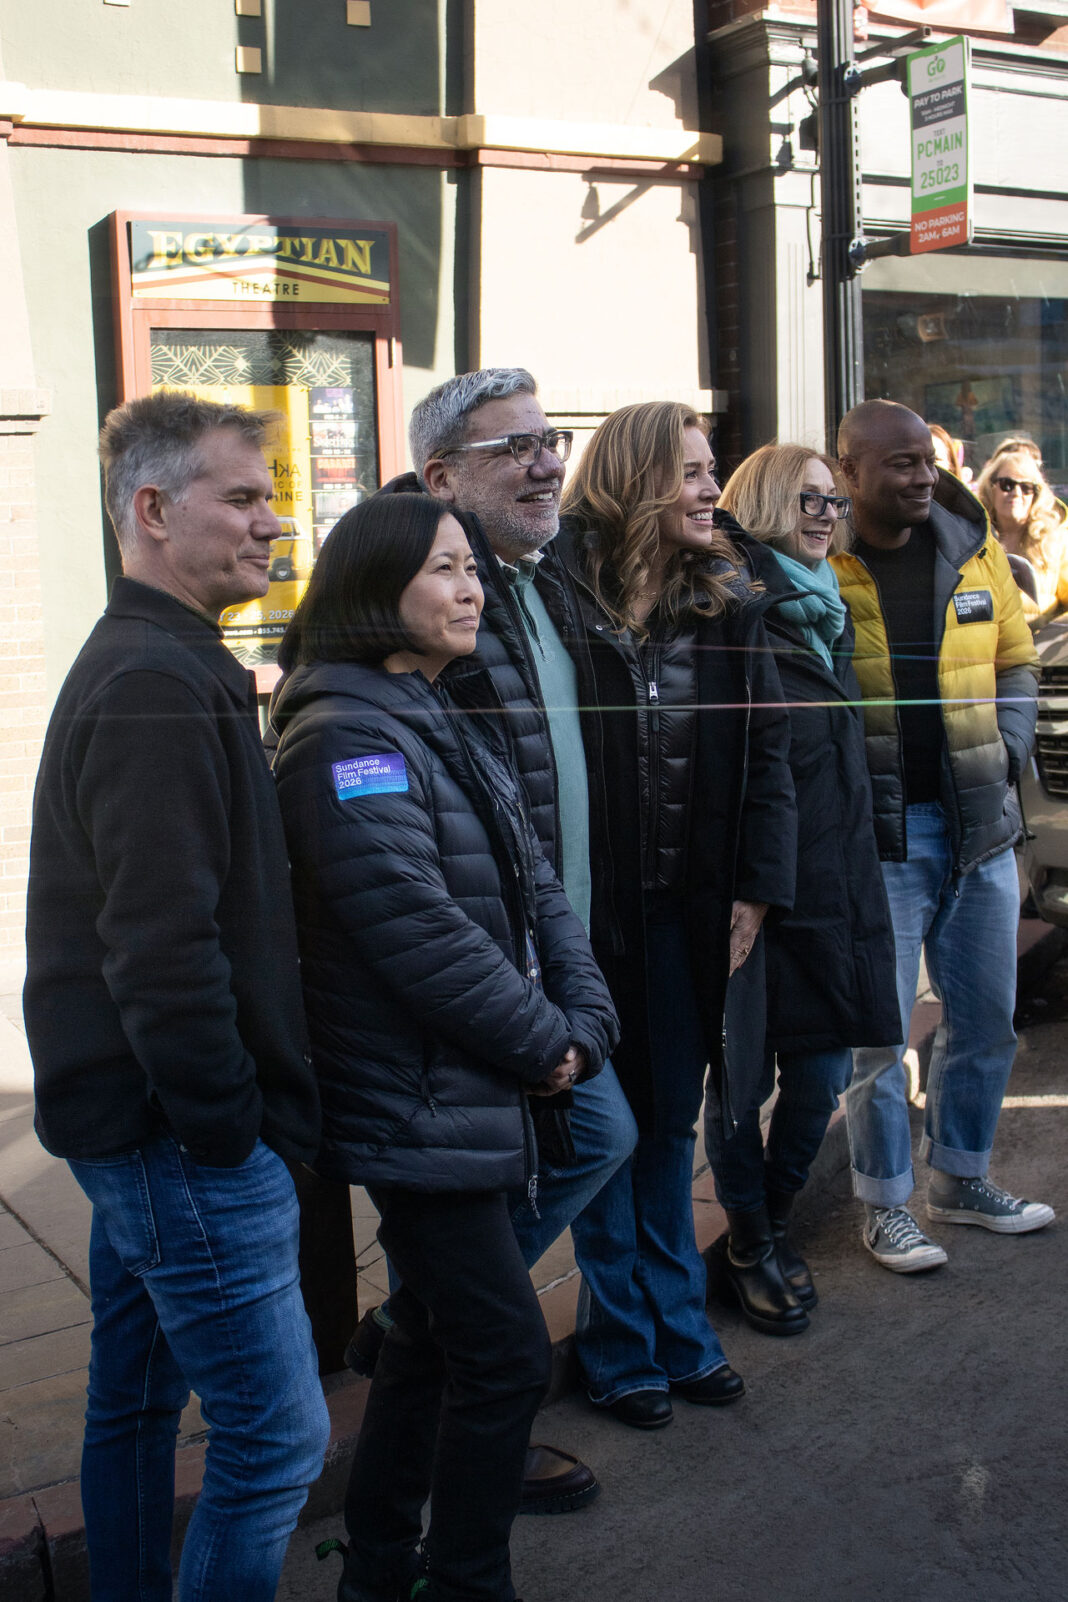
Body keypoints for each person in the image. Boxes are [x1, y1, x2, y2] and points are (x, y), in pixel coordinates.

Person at [270, 492, 618, 1602]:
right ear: (377, 590)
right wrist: (546, 1047)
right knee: (506, 1354)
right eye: (443, 570)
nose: (471, 589)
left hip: (477, 1085)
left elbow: (534, 887)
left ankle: (377, 1565)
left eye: (471, 567)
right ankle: (464, 1581)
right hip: (417, 1099)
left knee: (426, 1332)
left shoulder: (430, 707)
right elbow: (413, 926)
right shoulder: (343, 737)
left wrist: (586, 1019)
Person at [23, 392, 330, 1601]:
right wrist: (228, 1131)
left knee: (137, 1404)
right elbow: (161, 951)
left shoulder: (169, 658)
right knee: (276, 1443)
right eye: (243, 498)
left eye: (272, 498)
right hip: (177, 1142)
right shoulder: (152, 679)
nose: (274, 525)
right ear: (152, 511)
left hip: (144, 1133)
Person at [344, 368, 639, 1512]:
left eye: (549, 439)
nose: (544, 462)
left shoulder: (539, 576)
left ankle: (423, 1327)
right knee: (585, 1140)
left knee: (591, 1141)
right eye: (512, 446)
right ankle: (447, 1356)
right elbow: (400, 869)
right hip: (479, 987)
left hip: (555, 951)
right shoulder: (410, 602)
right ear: (441, 478)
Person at [556, 402, 798, 1426]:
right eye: (692, 472)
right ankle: (623, 1343)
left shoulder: (731, 605)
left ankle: (676, 1331)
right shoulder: (557, 605)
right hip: (580, 919)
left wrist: (755, 888)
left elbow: (770, 765)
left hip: (686, 915)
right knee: (606, 1132)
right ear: (633, 480)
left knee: (665, 1128)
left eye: (713, 470)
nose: (712, 489)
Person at [832, 399, 1054, 1271]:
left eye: (927, 460)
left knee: (987, 1020)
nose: (924, 475)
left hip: (980, 828)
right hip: (882, 836)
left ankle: (959, 1182)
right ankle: (884, 1204)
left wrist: (1009, 746)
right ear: (849, 470)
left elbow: (1017, 659)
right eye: (901, 464)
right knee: (880, 1036)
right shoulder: (822, 564)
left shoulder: (973, 546)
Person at [703, 443, 900, 1331]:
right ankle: (749, 1242)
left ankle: (769, 1227)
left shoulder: (826, 609)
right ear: (764, 504)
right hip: (757, 891)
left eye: (833, 500)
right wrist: (747, 884)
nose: (826, 514)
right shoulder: (738, 606)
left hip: (835, 882)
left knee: (820, 1074)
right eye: (806, 499)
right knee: (739, 1083)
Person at [975, 436, 1068, 630]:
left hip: (1039, 653)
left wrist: (1049, 636)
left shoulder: (1056, 542)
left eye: (1026, 487)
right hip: (984, 651)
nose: (1017, 493)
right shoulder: (970, 536)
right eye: (1007, 484)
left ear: (1037, 494)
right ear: (990, 487)